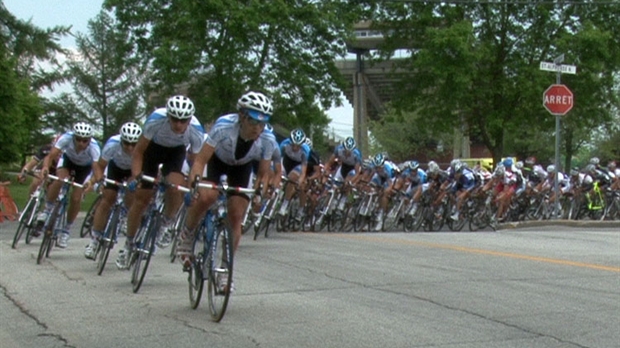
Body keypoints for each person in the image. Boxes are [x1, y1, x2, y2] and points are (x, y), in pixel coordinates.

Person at [176, 91, 276, 290]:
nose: (258, 128)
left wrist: (259, 193)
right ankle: (187, 234)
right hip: (217, 162)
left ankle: (225, 270)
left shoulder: (268, 140)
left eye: (262, 124)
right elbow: (201, 160)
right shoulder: (222, 127)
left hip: (242, 167)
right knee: (206, 197)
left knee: (237, 215)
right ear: (242, 117)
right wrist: (194, 182)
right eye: (254, 122)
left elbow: (263, 174)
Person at [115, 96, 205, 269]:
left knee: (175, 186)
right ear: (168, 116)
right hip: (151, 152)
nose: (179, 124)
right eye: (175, 119)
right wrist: (136, 176)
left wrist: (190, 187)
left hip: (176, 153)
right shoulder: (156, 119)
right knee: (141, 199)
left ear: (189, 119)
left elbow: (195, 163)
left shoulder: (195, 129)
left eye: (183, 120)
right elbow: (138, 152)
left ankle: (167, 223)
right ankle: (129, 244)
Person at [37, 122, 102, 247]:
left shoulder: (94, 147)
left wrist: (91, 182)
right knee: (59, 179)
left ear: (89, 140)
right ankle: (47, 210)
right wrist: (45, 167)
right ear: (73, 137)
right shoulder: (66, 137)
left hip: (84, 169)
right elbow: (51, 155)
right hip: (68, 161)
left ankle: (66, 230)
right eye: (78, 139)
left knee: (76, 198)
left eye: (85, 140)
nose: (81, 143)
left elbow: (97, 170)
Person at [84, 122, 142, 260]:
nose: (130, 147)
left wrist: (136, 181)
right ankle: (95, 239)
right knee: (107, 199)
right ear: (121, 140)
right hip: (115, 169)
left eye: (133, 144)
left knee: (131, 194)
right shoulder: (112, 144)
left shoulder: (143, 147)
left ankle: (124, 216)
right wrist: (99, 179)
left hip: (132, 171)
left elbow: (143, 170)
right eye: (126, 143)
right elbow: (100, 165)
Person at [277, 128, 311, 221]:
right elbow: (277, 159)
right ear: (290, 141)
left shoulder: (305, 150)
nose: (295, 148)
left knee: (292, 178)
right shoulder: (284, 144)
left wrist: (300, 179)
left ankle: (285, 204)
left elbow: (303, 171)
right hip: (286, 161)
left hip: (297, 165)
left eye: (298, 146)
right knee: (277, 174)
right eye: (293, 145)